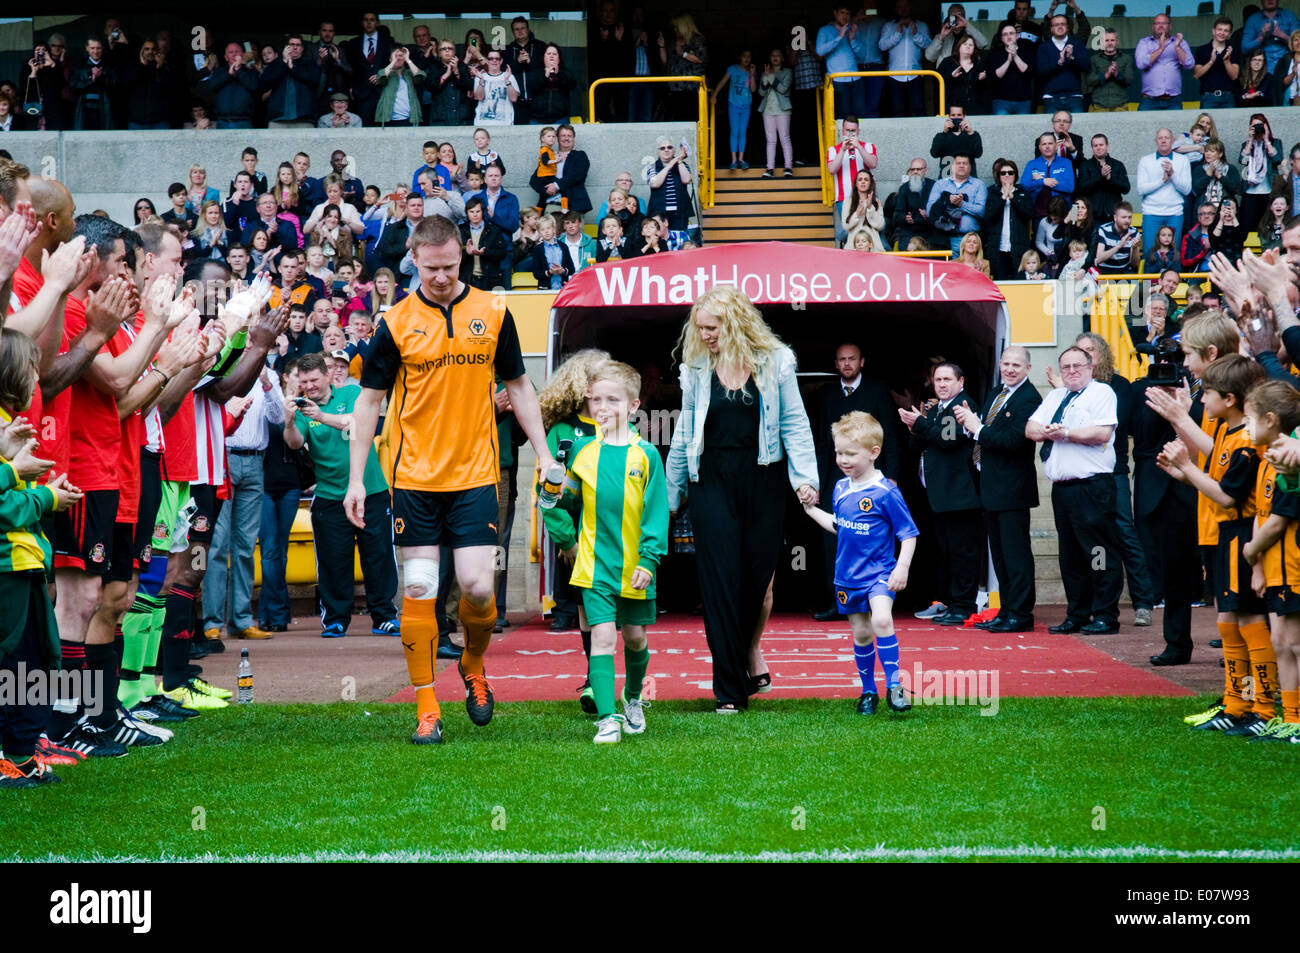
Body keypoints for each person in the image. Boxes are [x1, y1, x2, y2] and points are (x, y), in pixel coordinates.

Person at [346, 214, 556, 745]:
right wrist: (356, 480)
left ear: (464, 255)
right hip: (413, 478)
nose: (441, 276)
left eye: (450, 265)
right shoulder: (394, 322)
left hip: (476, 476)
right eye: (431, 267)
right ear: (412, 259)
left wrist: (546, 456)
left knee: (479, 591)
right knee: (418, 587)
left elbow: (521, 386)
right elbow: (369, 401)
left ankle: (473, 663)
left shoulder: (493, 310)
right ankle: (426, 707)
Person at [666, 286, 817, 713]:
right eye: (701, 328)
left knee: (755, 582)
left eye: (712, 327)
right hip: (709, 480)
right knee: (719, 583)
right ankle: (729, 690)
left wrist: (805, 479)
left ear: (733, 322)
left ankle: (745, 659)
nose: (706, 335)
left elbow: (794, 422)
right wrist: (670, 492)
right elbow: (683, 434)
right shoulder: (695, 365)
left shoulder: (777, 360)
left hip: (763, 479)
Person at [1157, 355, 1276, 735]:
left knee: (1250, 620)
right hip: (1227, 536)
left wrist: (1189, 469)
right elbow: (1218, 483)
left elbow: (1228, 497)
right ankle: (1237, 702)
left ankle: (1265, 707)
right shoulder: (1228, 431)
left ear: (1228, 398)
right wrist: (1185, 474)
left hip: (1242, 535)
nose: (1201, 401)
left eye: (1206, 393)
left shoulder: (1246, 441)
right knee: (1229, 620)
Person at [550, 361, 666, 743]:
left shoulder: (646, 454)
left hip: (634, 568)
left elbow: (656, 513)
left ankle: (632, 698)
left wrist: (648, 561)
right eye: (596, 398)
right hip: (594, 567)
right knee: (602, 638)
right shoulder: (581, 451)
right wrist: (548, 494)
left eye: (612, 399)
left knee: (634, 638)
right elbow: (560, 498)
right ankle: (606, 719)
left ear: (633, 406)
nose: (602, 406)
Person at [0, 329, 85, 787]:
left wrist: (45, 493)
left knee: (35, 659)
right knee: (10, 661)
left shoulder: (10, 422)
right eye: (32, 367)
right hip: (5, 565)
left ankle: (20, 750)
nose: (39, 377)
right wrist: (44, 498)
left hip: (25, 563)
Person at [803, 411, 917, 715]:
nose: (843, 459)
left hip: (879, 573)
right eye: (839, 452)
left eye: (850, 453)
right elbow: (839, 526)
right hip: (847, 577)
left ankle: (894, 686)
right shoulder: (841, 488)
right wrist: (811, 509)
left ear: (873, 453)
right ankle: (868, 691)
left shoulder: (886, 492)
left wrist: (901, 567)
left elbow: (908, 534)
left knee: (881, 620)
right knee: (862, 633)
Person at [283, 351, 397, 639]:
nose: (309, 386)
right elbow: (295, 444)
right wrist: (288, 421)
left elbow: (359, 423)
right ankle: (334, 619)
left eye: (313, 379)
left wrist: (322, 416)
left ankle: (384, 616)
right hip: (331, 495)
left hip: (371, 490)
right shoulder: (301, 409)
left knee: (379, 556)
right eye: (304, 381)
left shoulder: (351, 392)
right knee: (334, 561)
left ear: (327, 375)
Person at [1027, 345, 1124, 634]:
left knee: (1098, 551)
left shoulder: (1101, 393)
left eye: (1077, 366)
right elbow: (1031, 429)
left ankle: (1105, 613)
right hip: (1063, 488)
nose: (1071, 372)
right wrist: (1052, 432)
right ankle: (1077, 612)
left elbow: (1102, 433)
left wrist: (1065, 433)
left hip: (1092, 487)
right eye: (1066, 367)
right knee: (1070, 555)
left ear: (1090, 367)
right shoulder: (1056, 396)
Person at [810, 343, 901, 621]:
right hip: (834, 481)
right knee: (833, 543)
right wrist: (816, 483)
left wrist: (892, 477)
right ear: (836, 364)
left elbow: (891, 439)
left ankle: (876, 601)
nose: (847, 364)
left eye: (851, 359)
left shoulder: (877, 391)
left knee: (871, 539)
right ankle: (838, 603)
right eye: (842, 360)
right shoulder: (825, 395)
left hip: (872, 480)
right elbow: (819, 444)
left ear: (862, 361)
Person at [954, 346, 1041, 632]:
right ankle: (1006, 610)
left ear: (1028, 369)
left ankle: (1021, 613)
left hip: (1014, 489)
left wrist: (978, 429)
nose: (1010, 369)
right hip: (991, 487)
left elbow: (1013, 441)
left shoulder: (1029, 398)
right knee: (1000, 556)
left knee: (1016, 555)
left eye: (1017, 365)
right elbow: (987, 434)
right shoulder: (996, 392)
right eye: (1006, 363)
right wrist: (970, 426)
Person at [201, 364, 281, 643]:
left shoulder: (268, 374)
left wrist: (267, 384)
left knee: (246, 547)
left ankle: (242, 619)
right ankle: (212, 622)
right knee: (217, 546)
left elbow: (279, 416)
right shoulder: (224, 370)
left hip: (256, 461)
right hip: (224, 456)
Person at [898, 362, 981, 625]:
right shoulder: (937, 408)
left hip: (960, 494)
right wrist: (915, 427)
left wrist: (921, 423)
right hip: (938, 494)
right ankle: (946, 601)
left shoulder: (961, 406)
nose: (942, 384)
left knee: (962, 551)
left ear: (961, 382)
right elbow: (918, 445)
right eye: (938, 380)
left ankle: (963, 605)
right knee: (944, 551)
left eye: (947, 379)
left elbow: (947, 439)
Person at [1240, 379, 1300, 740]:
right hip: (1277, 566)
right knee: (1281, 641)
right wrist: (1260, 565)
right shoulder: (1270, 458)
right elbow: (1264, 515)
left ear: (1272, 420)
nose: (1247, 428)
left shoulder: (1287, 459)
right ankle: (1290, 717)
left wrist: (1250, 551)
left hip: (1293, 564)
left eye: (1251, 420)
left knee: (1294, 642)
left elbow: (1278, 520)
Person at [1137, 128, 1192, 256]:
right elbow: (1141, 189)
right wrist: (1162, 181)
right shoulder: (1145, 160)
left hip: (1174, 213)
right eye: (1160, 138)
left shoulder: (1182, 160)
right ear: (1156, 141)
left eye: (1166, 138)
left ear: (1172, 141)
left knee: (1174, 254)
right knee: (1150, 254)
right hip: (1151, 212)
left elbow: (1187, 189)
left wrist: (1172, 175)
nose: (1163, 140)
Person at [826, 117, 878, 244]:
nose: (850, 134)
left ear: (858, 131)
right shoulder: (833, 150)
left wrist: (859, 147)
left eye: (853, 131)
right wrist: (843, 150)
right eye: (847, 130)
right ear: (842, 131)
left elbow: (873, 164)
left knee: (870, 226)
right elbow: (832, 169)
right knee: (851, 228)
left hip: (866, 196)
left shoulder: (868, 146)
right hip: (844, 198)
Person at [879, 0, 931, 117]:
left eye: (906, 6)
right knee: (898, 110)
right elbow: (882, 46)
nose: (903, 9)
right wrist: (897, 34)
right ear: (896, 9)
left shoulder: (921, 25)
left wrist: (916, 33)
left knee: (919, 109)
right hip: (895, 75)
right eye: (900, 6)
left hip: (915, 74)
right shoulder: (889, 26)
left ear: (911, 7)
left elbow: (929, 46)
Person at [928, 153, 986, 257]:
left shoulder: (978, 185)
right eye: (958, 163)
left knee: (969, 272)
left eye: (965, 163)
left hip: (970, 240)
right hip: (944, 238)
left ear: (970, 167)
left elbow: (982, 211)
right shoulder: (940, 184)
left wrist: (962, 204)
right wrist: (948, 204)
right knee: (948, 272)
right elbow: (930, 211)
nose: (961, 166)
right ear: (952, 166)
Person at [984, 158, 1033, 280]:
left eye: (1010, 172)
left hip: (1019, 247)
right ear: (999, 176)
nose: (1007, 175)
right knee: (1001, 282)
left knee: (1020, 282)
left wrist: (1012, 198)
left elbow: (1028, 214)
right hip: (999, 247)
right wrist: (1002, 198)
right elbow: (989, 217)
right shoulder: (993, 193)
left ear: (1015, 175)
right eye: (1003, 173)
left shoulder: (1022, 193)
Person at [817, 4, 867, 119]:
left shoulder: (853, 30)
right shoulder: (825, 30)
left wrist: (853, 40)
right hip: (838, 80)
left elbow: (863, 55)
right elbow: (820, 51)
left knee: (860, 114)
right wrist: (839, 37)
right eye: (842, 13)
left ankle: (859, 138)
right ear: (835, 13)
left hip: (856, 78)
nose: (845, 16)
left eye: (848, 13)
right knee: (843, 116)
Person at [1134, 14, 1193, 110]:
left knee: (1176, 125)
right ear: (1153, 27)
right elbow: (1140, 64)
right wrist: (1161, 49)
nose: (1161, 26)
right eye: (1157, 23)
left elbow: (1189, 64)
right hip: (1149, 100)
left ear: (1170, 26)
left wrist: (1177, 47)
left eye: (1164, 23)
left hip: (1173, 101)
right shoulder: (1144, 42)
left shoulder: (1180, 42)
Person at [260, 36, 321, 127]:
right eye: (292, 44)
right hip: (278, 118)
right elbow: (264, 84)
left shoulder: (309, 64)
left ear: (302, 49)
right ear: (286, 47)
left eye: (298, 45)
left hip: (304, 117)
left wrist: (293, 69)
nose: (295, 47)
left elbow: (314, 81)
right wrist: (284, 62)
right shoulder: (276, 64)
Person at [344, 12, 394, 126]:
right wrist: (351, 86)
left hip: (383, 90)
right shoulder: (354, 43)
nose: (369, 22)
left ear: (377, 23)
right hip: (361, 92)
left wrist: (382, 75)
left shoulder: (388, 41)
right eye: (366, 20)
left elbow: (394, 64)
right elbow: (349, 67)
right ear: (362, 23)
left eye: (372, 20)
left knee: (385, 127)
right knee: (364, 127)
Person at [1037, 13, 1090, 115]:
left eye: (1063, 24)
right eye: (1056, 25)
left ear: (1068, 27)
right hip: (1051, 98)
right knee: (1051, 131)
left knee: (1078, 129)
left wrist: (1072, 58)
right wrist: (1059, 63)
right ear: (1051, 29)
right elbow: (1041, 72)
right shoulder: (1044, 47)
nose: (1060, 27)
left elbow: (1087, 66)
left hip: (1074, 97)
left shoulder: (1077, 44)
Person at [713, 50, 756, 171]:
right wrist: (714, 95)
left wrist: (752, 74)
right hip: (733, 104)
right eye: (744, 56)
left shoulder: (750, 72)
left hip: (746, 106)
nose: (747, 59)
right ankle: (733, 160)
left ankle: (741, 159)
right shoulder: (732, 69)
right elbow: (722, 82)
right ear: (740, 58)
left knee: (742, 132)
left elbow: (753, 89)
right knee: (734, 131)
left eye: (749, 56)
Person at [659, 15, 707, 121]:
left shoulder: (696, 40)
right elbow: (666, 62)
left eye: (677, 27)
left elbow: (700, 58)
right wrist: (662, 46)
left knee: (690, 119)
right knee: (676, 120)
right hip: (674, 88)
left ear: (684, 27)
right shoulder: (674, 41)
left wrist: (683, 54)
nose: (675, 30)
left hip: (690, 89)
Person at [646, 137, 695, 240]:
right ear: (658, 152)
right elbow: (655, 183)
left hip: (680, 212)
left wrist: (679, 161)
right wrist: (671, 164)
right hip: (659, 213)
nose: (666, 150)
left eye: (669, 147)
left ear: (674, 150)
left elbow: (686, 180)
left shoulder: (683, 164)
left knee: (680, 239)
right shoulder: (653, 167)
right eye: (662, 148)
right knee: (659, 239)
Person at [1239, 113, 1282, 229]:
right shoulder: (1246, 144)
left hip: (1269, 191)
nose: (1258, 128)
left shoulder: (1275, 143)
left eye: (1260, 125)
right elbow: (1242, 161)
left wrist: (1266, 140)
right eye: (1255, 125)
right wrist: (1250, 140)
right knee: (1248, 225)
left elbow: (1277, 160)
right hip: (1250, 192)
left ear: (1266, 126)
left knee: (1269, 225)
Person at [757, 48, 794, 179]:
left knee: (784, 138)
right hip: (768, 110)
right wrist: (765, 78)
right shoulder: (765, 73)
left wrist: (770, 76)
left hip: (782, 109)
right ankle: (770, 168)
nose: (775, 58)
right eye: (773, 56)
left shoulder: (787, 72)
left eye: (778, 55)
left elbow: (783, 89)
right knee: (771, 140)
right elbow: (761, 92)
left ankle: (788, 167)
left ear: (782, 59)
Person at [1021, 132, 1075, 220]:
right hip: (1038, 214)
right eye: (1044, 144)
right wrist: (1043, 181)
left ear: (1056, 145)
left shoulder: (1066, 162)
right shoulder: (1031, 164)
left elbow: (1069, 187)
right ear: (1039, 147)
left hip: (1062, 214)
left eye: (1050, 143)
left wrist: (1043, 180)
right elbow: (1024, 186)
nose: (1047, 146)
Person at [458, 196, 508, 290]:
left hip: (490, 279)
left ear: (483, 212)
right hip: (467, 279)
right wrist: (467, 253)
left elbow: (502, 253)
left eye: (478, 211)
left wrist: (484, 253)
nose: (475, 215)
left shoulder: (494, 230)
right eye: (471, 212)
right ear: (467, 213)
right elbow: (453, 256)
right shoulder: (460, 230)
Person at [984, 22, 1034, 114]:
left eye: (1011, 33)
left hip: (1023, 101)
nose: (1009, 36)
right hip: (1001, 101)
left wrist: (1015, 56)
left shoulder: (1027, 52)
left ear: (1017, 36)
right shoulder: (995, 55)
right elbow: (995, 76)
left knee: (1024, 128)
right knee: (1000, 128)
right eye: (1005, 34)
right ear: (1002, 38)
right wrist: (1008, 61)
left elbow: (1028, 72)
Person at [1194, 16, 1240, 109]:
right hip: (1208, 97)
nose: (1222, 33)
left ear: (1230, 34)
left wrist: (1227, 61)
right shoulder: (1202, 50)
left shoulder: (1233, 50)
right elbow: (1197, 75)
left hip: (1228, 97)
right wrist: (1211, 61)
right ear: (1213, 31)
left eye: (1226, 30)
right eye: (1219, 29)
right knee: (1206, 123)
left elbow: (1234, 76)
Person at [1242, 0, 1300, 73]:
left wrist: (1282, 36)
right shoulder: (1253, 20)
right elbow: (1244, 49)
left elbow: (1299, 46)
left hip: (1287, 68)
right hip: (1261, 69)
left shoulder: (1290, 17)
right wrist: (1261, 37)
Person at [936, 35, 986, 115]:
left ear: (974, 49)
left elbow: (986, 88)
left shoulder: (979, 64)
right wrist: (951, 76)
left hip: (975, 108)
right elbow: (937, 82)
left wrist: (984, 78)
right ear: (959, 46)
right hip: (953, 109)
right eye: (965, 44)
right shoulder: (947, 62)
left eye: (971, 45)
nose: (968, 47)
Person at [1086, 27, 1134, 111]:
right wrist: (1106, 75)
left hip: (1121, 105)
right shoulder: (1094, 59)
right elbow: (1089, 81)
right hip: (1099, 105)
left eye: (1112, 40)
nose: (1109, 43)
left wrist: (1117, 74)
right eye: (1106, 40)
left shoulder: (1127, 58)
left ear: (1117, 42)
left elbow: (1129, 80)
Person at [930, 105, 983, 179]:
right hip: (946, 181)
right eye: (953, 115)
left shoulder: (973, 135)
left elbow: (978, 154)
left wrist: (971, 133)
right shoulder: (941, 136)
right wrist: (944, 132)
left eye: (959, 115)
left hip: (968, 182)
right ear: (949, 117)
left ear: (964, 117)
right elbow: (934, 154)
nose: (956, 118)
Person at [472, 48, 520, 126]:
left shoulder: (510, 76)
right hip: (482, 124)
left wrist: (507, 80)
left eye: (497, 59)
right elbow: (479, 98)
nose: (494, 61)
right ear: (487, 61)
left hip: (505, 125)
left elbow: (514, 99)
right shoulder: (479, 77)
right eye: (491, 59)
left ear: (501, 61)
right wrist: (481, 80)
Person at [841, 170, 884, 249]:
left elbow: (880, 225)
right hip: (853, 246)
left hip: (873, 246)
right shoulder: (848, 201)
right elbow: (846, 226)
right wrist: (857, 213)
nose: (863, 182)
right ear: (856, 184)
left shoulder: (876, 201)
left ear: (870, 183)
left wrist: (870, 207)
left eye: (866, 180)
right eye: (860, 179)